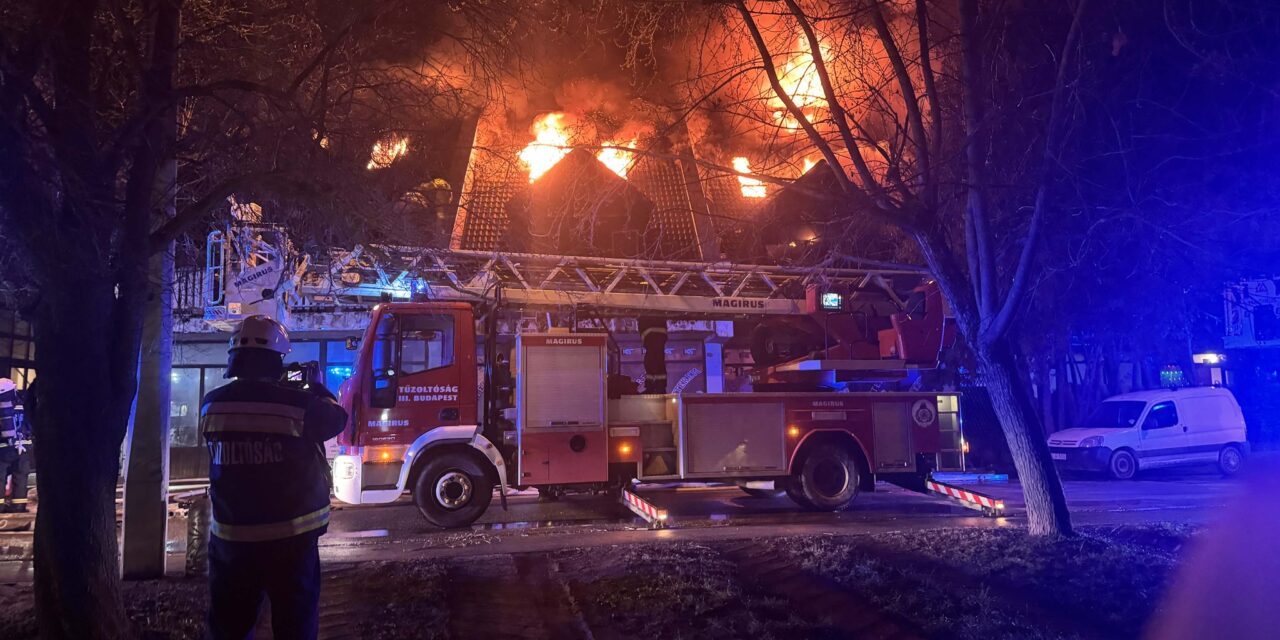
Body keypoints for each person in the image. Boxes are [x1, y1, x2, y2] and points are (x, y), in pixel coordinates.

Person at [201, 315, 347, 640]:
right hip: (291, 541)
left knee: (229, 627)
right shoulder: (299, 404)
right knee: (295, 624)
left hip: (231, 540)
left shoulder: (211, 405)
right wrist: (315, 384)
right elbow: (337, 419)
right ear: (276, 359)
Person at [0, 378, 30, 513]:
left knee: (0, 478)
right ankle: (19, 506)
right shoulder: (22, 405)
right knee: (21, 476)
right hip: (23, 446)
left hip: (3, 448)